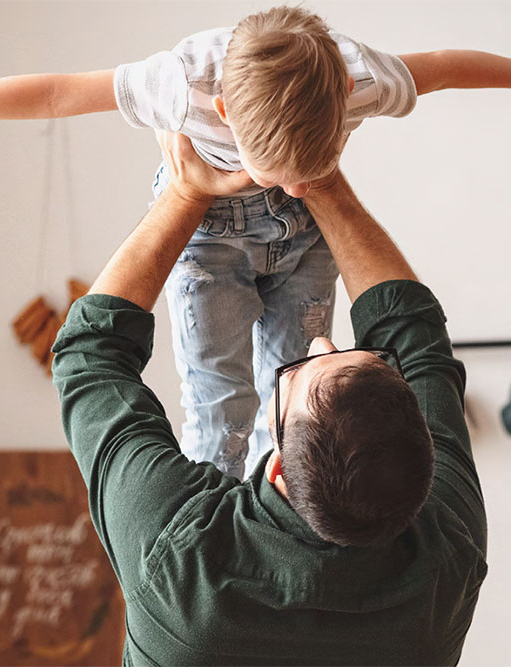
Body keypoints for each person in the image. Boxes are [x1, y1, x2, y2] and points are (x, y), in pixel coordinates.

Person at [0, 5, 511, 478]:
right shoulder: (182, 81)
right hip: (208, 242)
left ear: (342, 100)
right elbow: (61, 91)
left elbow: (437, 70)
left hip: (306, 247)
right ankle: (225, 524)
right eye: (282, 171)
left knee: (301, 392)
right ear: (227, 112)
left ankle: (293, 517)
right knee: (218, 404)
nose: (298, 184)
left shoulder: (358, 75)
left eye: (316, 167)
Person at [51, 130, 487, 665]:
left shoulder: (184, 570)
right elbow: (417, 340)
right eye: (365, 358)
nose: (323, 340)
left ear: (277, 465)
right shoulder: (444, 559)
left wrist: (187, 193)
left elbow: (89, 356)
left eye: (301, 372)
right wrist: (317, 176)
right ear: (428, 450)